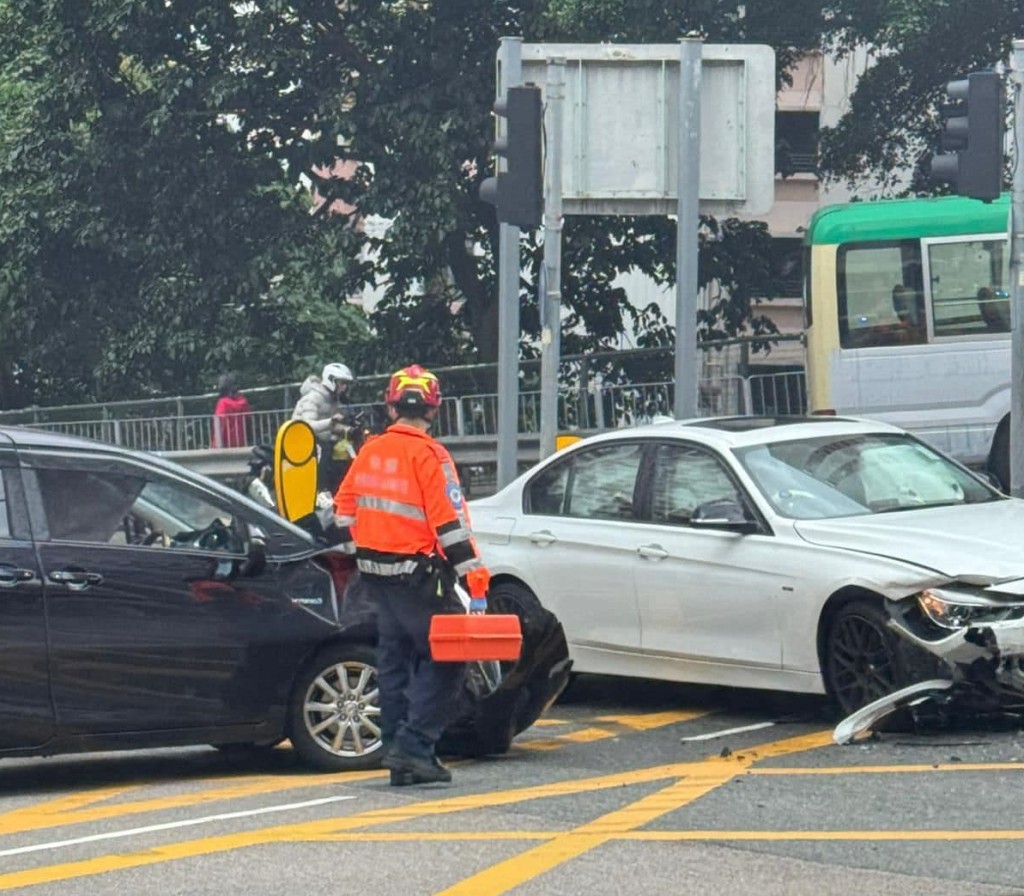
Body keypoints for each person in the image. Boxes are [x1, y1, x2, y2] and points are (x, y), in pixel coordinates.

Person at [332, 364, 490, 786]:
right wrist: (475, 578)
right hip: (421, 578)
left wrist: (367, 547)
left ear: (391, 406)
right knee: (449, 656)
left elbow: (343, 512)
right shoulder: (430, 455)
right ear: (434, 410)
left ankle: (397, 749)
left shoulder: (370, 451)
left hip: (377, 580)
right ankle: (415, 746)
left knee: (395, 662)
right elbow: (450, 525)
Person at [292, 362, 360, 497]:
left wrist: (349, 430)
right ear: (331, 380)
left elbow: (332, 427)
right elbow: (307, 426)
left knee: (342, 450)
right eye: (342, 383)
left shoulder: (332, 399)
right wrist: (331, 421)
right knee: (324, 450)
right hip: (300, 441)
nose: (344, 387)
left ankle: (340, 489)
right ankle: (321, 492)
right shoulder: (312, 398)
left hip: (322, 439)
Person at [212, 373, 252, 448]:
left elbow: (220, 424)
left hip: (225, 443)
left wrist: (216, 445)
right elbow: (248, 422)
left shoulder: (222, 403)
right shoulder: (243, 401)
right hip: (241, 442)